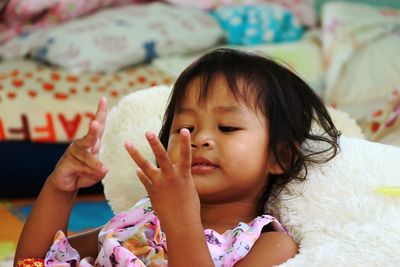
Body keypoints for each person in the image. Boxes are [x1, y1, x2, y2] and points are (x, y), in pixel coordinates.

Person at [14, 48, 340, 267]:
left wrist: (182, 221)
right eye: (185, 127)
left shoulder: (268, 246)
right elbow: (36, 262)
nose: (199, 139)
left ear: (280, 157)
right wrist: (60, 188)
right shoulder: (141, 218)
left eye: (226, 127)